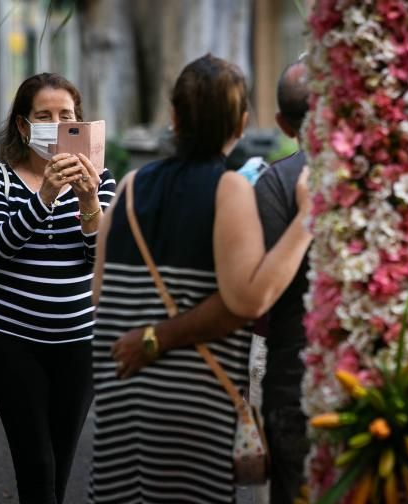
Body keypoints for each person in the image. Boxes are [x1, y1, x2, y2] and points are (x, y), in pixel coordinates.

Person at [89, 54, 312, 503]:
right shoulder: (228, 189)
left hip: (120, 389)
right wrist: (309, 215)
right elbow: (249, 299)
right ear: (242, 122)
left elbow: (99, 293)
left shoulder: (130, 186)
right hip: (190, 400)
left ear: (174, 117)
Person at [0, 72, 116, 504]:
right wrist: (44, 198)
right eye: (44, 116)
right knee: (36, 465)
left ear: (81, 124)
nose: (57, 124)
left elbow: (100, 261)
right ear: (23, 125)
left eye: (66, 116)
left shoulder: (101, 180)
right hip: (12, 343)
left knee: (60, 465)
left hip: (80, 344)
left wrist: (89, 202)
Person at [253, 58, 312, 504]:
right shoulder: (393, 173)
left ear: (282, 124)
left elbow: (259, 301)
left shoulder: (275, 183)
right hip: (388, 384)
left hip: (294, 382)